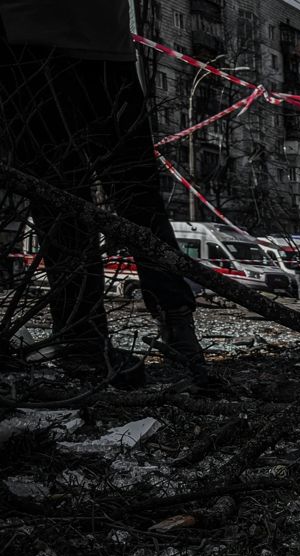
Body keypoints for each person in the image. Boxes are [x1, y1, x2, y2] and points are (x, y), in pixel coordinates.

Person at [0, 0, 209, 388]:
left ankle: (98, 344)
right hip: (50, 46)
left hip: (69, 45)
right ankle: (96, 344)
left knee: (92, 199)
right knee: (89, 199)